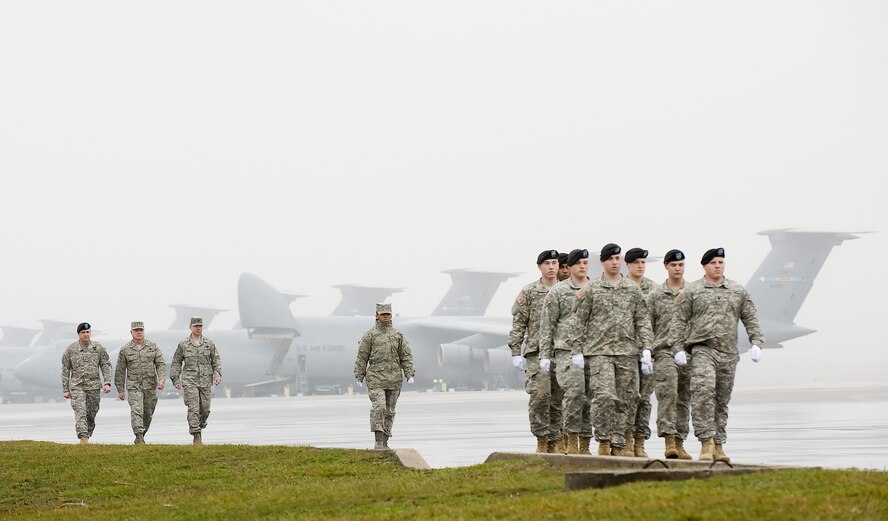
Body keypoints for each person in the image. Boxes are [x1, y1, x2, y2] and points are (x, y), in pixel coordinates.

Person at [670, 248, 765, 462]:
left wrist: (757, 342)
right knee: (703, 394)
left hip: (728, 353)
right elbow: (678, 321)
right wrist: (677, 348)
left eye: (721, 262)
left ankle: (718, 445)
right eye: (713, 262)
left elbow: (750, 317)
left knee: (722, 400)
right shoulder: (692, 291)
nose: (717, 266)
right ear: (705, 266)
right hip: (702, 350)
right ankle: (706, 443)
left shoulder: (737, 291)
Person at [567, 243, 653, 457]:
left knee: (627, 399)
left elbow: (642, 320)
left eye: (617, 259)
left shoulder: (632, 289)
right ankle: (604, 440)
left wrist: (646, 348)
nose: (615, 262)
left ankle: (620, 442)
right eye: (611, 259)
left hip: (627, 352)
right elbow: (578, 321)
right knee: (604, 397)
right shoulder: (591, 288)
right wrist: (576, 350)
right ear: (603, 262)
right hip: (599, 352)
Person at [539, 248, 592, 454]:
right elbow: (547, 325)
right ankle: (570, 439)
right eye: (578, 263)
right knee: (574, 394)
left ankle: (585, 445)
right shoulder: (558, 291)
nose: (582, 266)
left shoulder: (595, 289)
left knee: (590, 399)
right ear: (569, 267)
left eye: (585, 263)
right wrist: (545, 355)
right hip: (566, 351)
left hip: (593, 351)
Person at [508, 249, 561, 453]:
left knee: (558, 399)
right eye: (547, 263)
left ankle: (555, 441)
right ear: (539, 267)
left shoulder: (566, 290)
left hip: (562, 351)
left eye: (554, 263)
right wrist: (515, 351)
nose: (551, 267)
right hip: (537, 352)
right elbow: (519, 323)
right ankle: (541, 438)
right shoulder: (530, 291)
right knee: (540, 395)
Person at [648, 249, 692, 459]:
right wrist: (647, 352)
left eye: (681, 265)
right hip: (664, 351)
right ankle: (669, 441)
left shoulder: (693, 292)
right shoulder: (655, 295)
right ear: (666, 266)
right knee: (668, 395)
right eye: (673, 265)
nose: (677, 268)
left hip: (688, 352)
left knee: (684, 398)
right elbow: (647, 326)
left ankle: (680, 442)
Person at [354, 303, 416, 450]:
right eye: (383, 314)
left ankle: (385, 440)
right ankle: (378, 440)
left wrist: (409, 373)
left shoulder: (398, 335)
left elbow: (406, 356)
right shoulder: (369, 335)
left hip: (394, 379)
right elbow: (362, 356)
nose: (386, 317)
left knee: (390, 411)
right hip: (376, 378)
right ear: (377, 316)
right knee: (379, 407)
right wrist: (359, 375)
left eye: (388, 314)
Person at [624, 247, 657, 457]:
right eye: (636, 262)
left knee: (644, 399)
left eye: (643, 262)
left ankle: (640, 442)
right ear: (628, 265)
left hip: (647, 353)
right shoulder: (620, 288)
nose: (640, 266)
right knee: (626, 398)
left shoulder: (654, 290)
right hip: (623, 352)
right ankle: (625, 440)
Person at [170, 316, 222, 445]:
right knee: (193, 408)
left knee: (205, 408)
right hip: (189, 381)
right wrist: (175, 378)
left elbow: (216, 360)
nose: (198, 328)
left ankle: (201, 423)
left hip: (205, 380)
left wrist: (217, 375)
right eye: (196, 326)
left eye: (200, 326)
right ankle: (196, 435)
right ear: (190, 327)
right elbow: (176, 362)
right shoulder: (183, 344)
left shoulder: (209, 343)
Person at [114, 321, 166, 444]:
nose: (138, 332)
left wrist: (161, 379)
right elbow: (120, 370)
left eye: (141, 330)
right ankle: (139, 436)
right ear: (131, 332)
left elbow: (160, 364)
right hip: (134, 386)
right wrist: (120, 389)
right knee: (136, 410)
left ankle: (141, 434)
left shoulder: (152, 346)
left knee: (148, 412)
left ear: (144, 331)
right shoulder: (125, 349)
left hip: (150, 386)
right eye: (136, 330)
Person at [61, 322, 112, 444]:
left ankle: (87, 434)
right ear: (78, 334)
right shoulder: (71, 349)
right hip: (77, 386)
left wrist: (107, 382)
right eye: (83, 332)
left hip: (93, 386)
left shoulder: (98, 348)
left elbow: (105, 365)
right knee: (80, 411)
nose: (86, 334)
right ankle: (83, 437)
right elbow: (65, 370)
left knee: (91, 413)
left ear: (90, 333)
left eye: (87, 332)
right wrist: (66, 389)